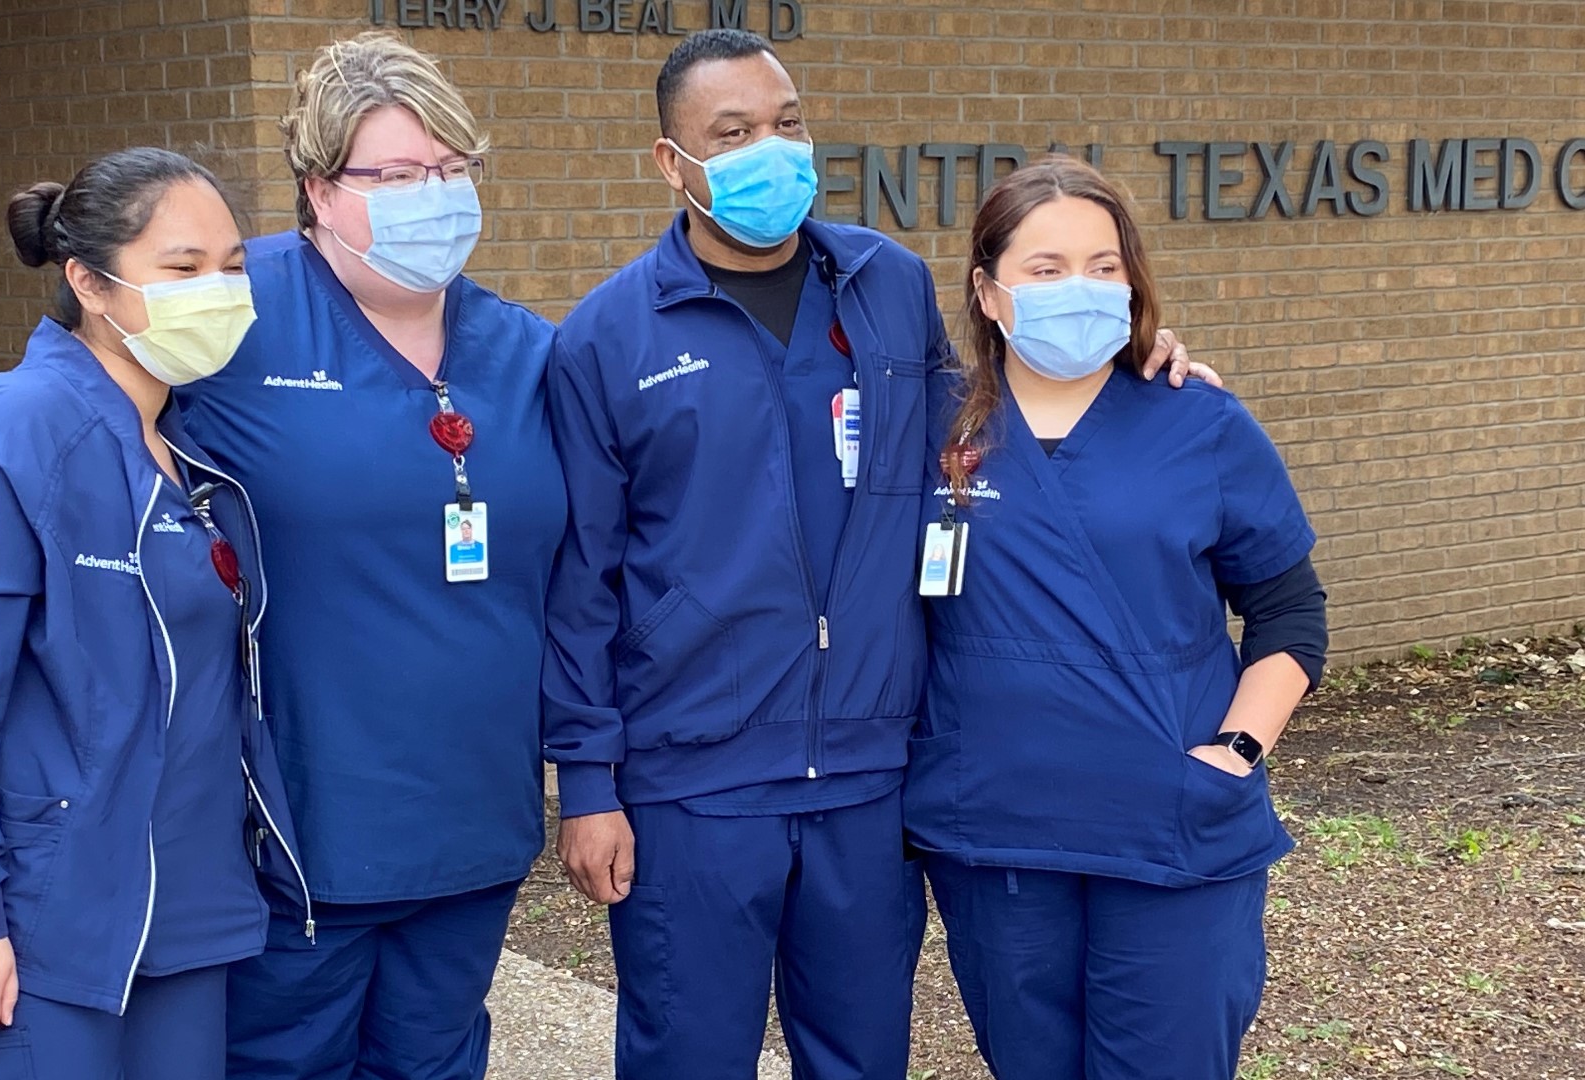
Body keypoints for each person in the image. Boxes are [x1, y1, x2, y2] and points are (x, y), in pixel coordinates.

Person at [543, 30, 1211, 1080]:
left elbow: (987, 419)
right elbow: (580, 580)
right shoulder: (606, 340)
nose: (773, 148)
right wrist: (587, 783)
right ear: (673, 165)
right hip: (694, 788)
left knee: (861, 1056)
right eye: (734, 133)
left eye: (787, 122)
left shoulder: (887, 287)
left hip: (867, 777)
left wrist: (1132, 364)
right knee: (687, 1055)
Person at [0, 147, 308, 1080]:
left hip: (184, 910)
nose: (216, 291)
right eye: (182, 269)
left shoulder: (189, 454)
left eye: (232, 266)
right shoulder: (7, 433)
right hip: (35, 918)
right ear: (88, 281)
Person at [172, 33, 567, 1080]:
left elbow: (583, 578)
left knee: (436, 1062)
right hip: (302, 831)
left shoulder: (527, 353)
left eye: (448, 171)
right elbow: (81, 407)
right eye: (390, 176)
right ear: (317, 189)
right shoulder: (235, 313)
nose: (427, 198)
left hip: (473, 822)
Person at [904, 157, 1328, 1080]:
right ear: (986, 289)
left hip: (1173, 822)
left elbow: (1290, 613)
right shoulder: (927, 424)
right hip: (999, 835)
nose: (1081, 290)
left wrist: (1236, 753)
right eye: (1046, 269)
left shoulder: (1199, 420)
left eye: (1105, 266)